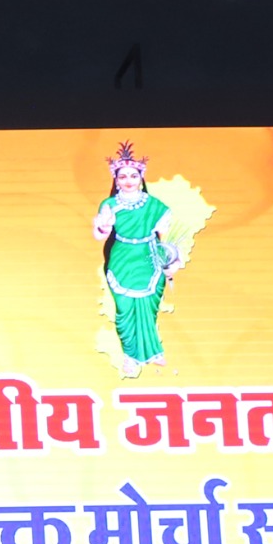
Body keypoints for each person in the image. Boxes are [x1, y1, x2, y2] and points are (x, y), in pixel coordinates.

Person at [88, 140, 184, 371]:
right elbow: (102, 235)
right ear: (116, 180)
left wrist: (173, 261)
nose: (128, 181)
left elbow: (165, 238)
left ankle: (152, 352)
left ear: (141, 178)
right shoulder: (110, 204)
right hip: (121, 258)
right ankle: (130, 356)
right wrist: (104, 225)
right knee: (124, 310)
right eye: (123, 177)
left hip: (148, 259)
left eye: (133, 176)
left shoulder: (155, 205)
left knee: (147, 308)